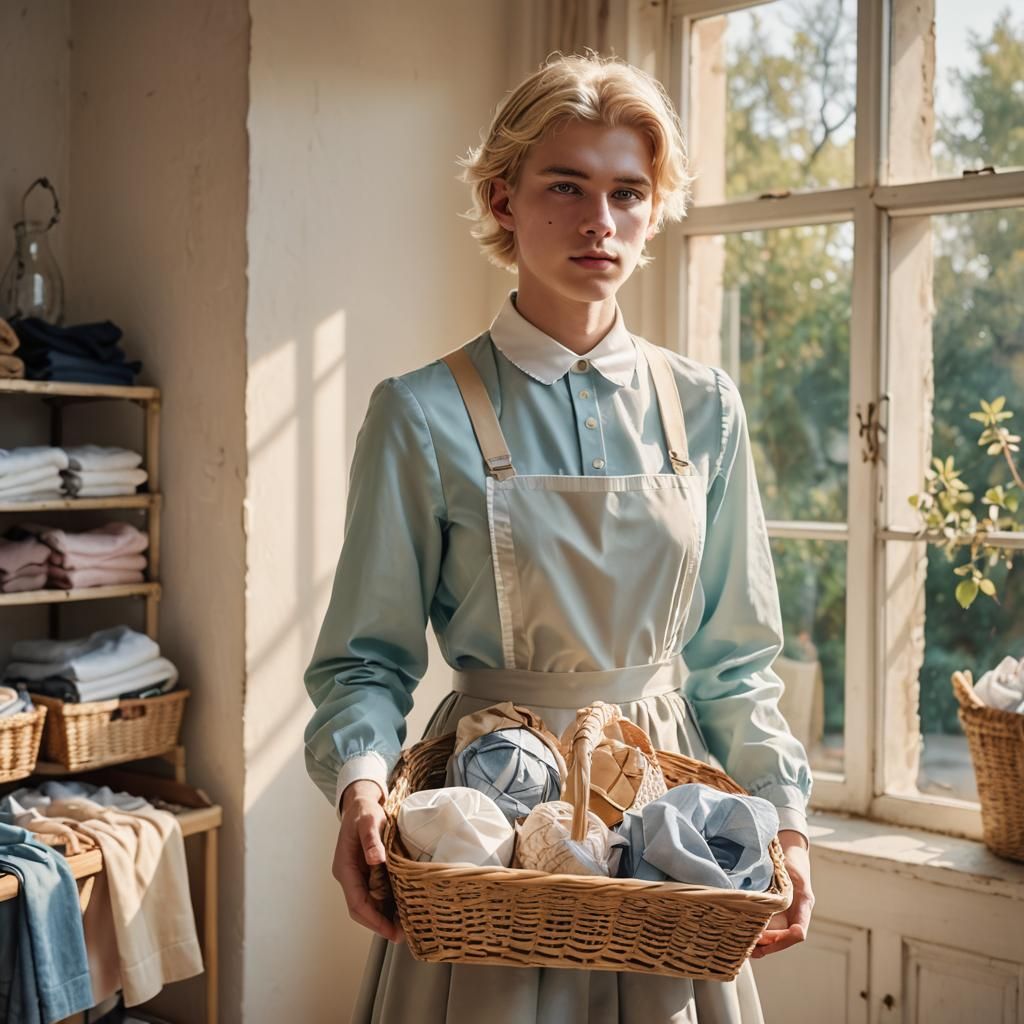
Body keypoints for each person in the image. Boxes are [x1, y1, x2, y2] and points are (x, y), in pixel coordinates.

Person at [304, 52, 814, 1024]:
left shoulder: (706, 408)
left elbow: (736, 663)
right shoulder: (419, 412)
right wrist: (360, 788)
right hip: (485, 815)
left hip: (671, 828)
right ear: (503, 199)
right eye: (566, 187)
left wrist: (783, 819)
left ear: (653, 210)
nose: (599, 221)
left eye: (628, 192)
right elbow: (364, 658)